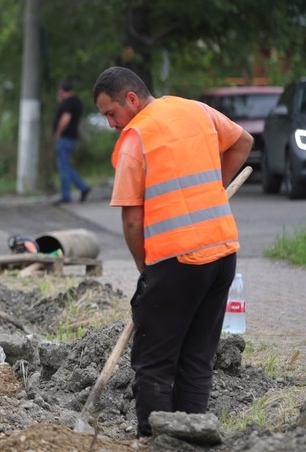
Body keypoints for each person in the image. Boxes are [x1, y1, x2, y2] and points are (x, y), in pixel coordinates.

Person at [92, 66, 253, 438]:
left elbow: (133, 222)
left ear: (131, 99)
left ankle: (154, 440)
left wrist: (144, 271)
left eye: (111, 113)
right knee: (198, 358)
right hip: (222, 253)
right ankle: (191, 439)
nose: (111, 124)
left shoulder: (137, 137)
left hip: (174, 262)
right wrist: (214, 188)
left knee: (155, 362)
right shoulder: (196, 110)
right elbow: (242, 142)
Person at [53, 79, 90, 205]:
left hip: (65, 138)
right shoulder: (76, 101)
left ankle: (66, 195)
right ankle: (83, 187)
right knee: (66, 166)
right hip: (72, 137)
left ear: (62, 90)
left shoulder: (68, 103)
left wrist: (58, 132)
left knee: (63, 167)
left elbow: (66, 118)